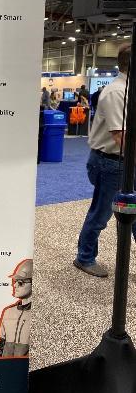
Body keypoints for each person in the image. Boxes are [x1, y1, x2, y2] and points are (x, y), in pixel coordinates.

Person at [75, 45, 136, 277]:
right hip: (110, 162)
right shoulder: (116, 92)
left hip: (125, 161)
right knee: (101, 214)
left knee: (134, 213)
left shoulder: (128, 90)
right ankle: (85, 257)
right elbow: (120, 137)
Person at [0, 259, 32, 358]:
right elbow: (1, 345)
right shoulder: (8, 313)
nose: (15, 285)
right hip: (6, 365)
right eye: (15, 281)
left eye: (20, 282)